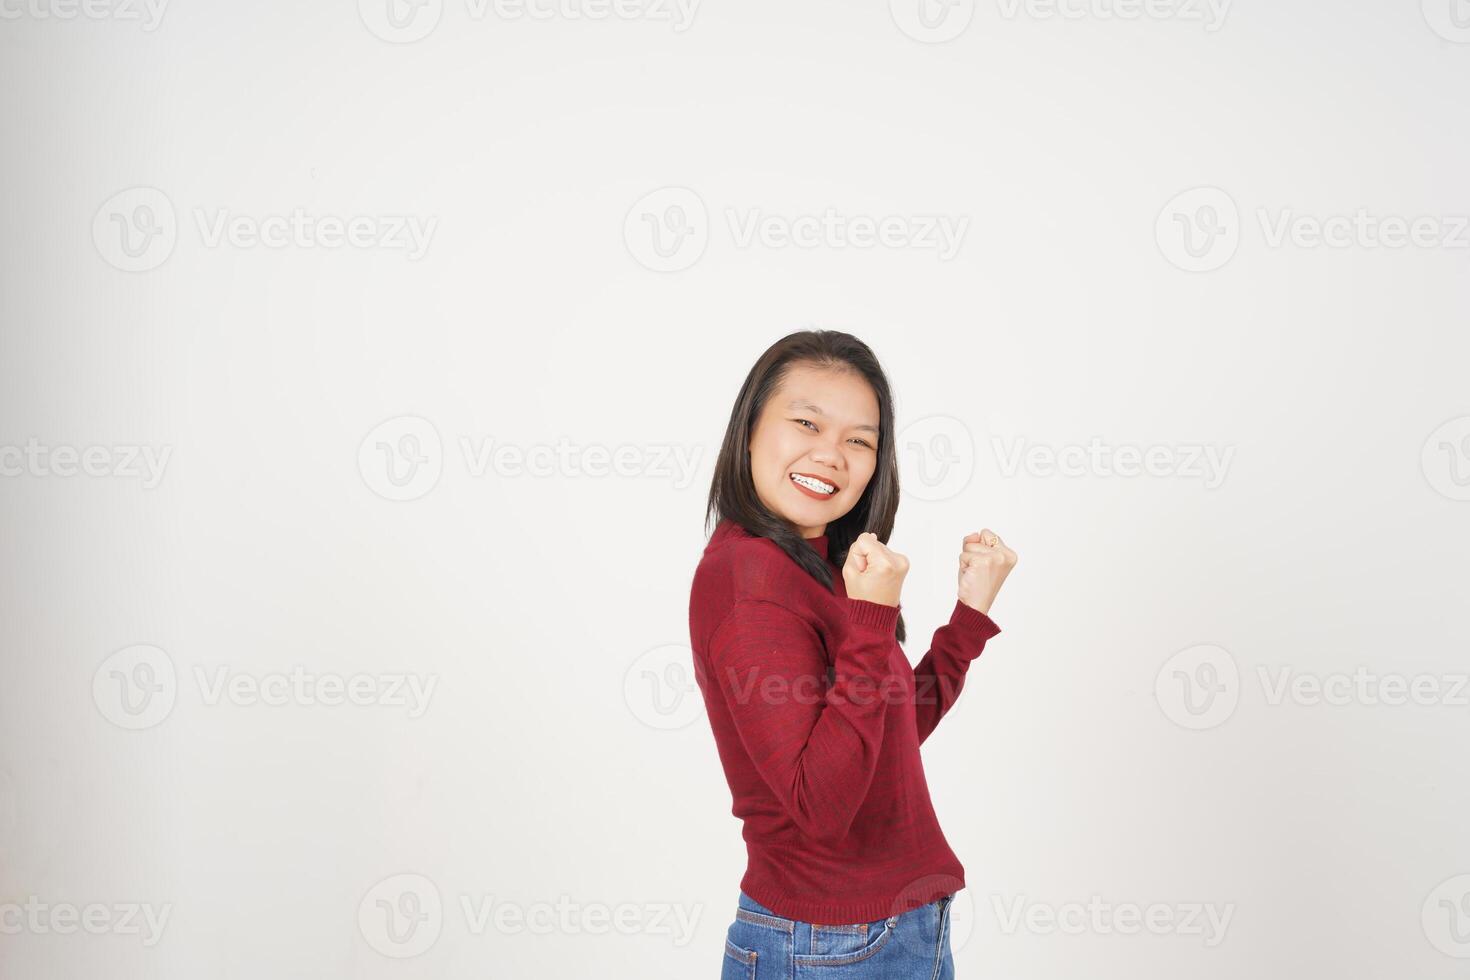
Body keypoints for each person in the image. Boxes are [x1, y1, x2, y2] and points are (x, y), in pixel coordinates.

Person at [688, 329, 1018, 978]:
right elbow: (820, 803)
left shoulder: (812, 561)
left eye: (858, 440)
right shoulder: (751, 584)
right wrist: (871, 620)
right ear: (750, 430)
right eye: (806, 423)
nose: (831, 455)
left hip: (889, 931)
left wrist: (967, 620)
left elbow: (885, 734)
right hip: (827, 945)